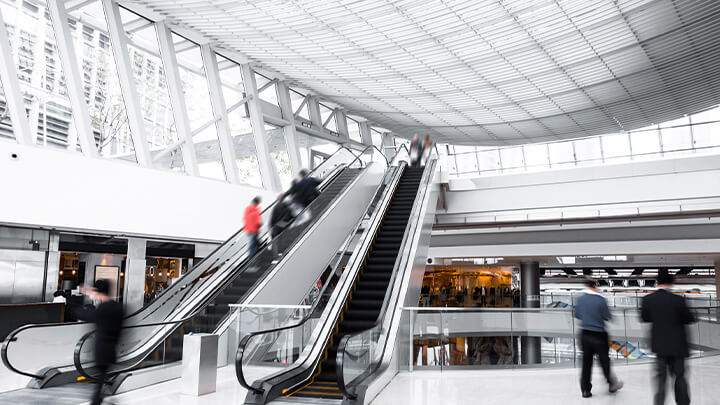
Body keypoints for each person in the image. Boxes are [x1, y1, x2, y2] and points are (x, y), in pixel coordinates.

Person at [641, 272, 695, 405]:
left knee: (661, 379)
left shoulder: (648, 299)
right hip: (678, 346)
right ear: (671, 283)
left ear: (657, 283)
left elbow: (645, 318)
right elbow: (689, 318)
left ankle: (659, 403)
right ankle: (682, 402)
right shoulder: (679, 300)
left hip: (659, 347)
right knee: (680, 377)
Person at [574, 278, 623, 398]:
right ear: (595, 286)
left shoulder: (580, 299)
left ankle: (585, 390)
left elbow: (578, 315)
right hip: (599, 334)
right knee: (604, 361)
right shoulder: (601, 300)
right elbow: (607, 316)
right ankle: (612, 384)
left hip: (585, 334)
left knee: (586, 363)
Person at [79, 280, 124, 405]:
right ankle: (98, 399)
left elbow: (88, 315)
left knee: (100, 377)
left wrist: (85, 295)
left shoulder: (103, 308)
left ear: (98, 292)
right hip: (112, 347)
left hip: (102, 349)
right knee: (102, 376)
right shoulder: (118, 307)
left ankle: (96, 400)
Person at [270, 193, 293, 259]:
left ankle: (276, 256)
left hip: (277, 226)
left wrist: (271, 226)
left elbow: (273, 218)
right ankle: (283, 253)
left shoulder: (276, 206)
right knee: (282, 239)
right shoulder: (287, 205)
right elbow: (290, 215)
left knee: (275, 241)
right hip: (284, 225)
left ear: (278, 199)